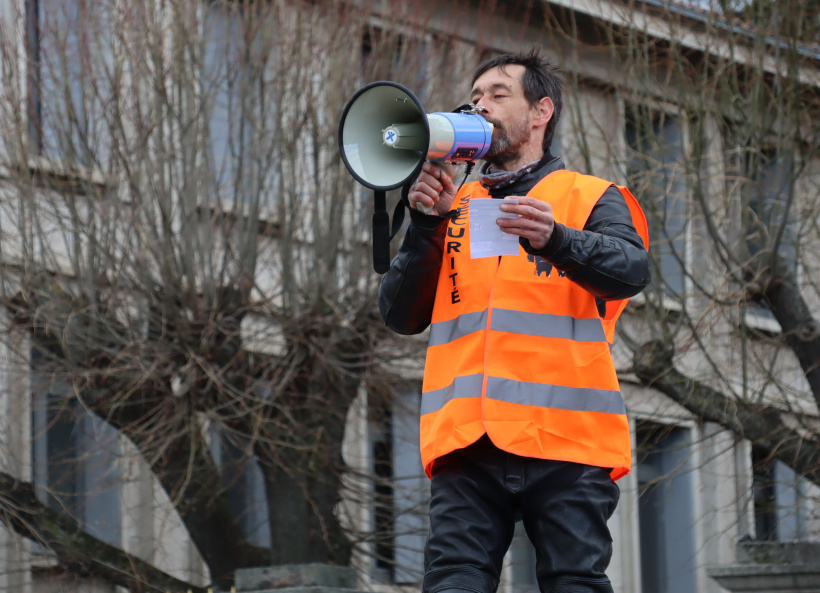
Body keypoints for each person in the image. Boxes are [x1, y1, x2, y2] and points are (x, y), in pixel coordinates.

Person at [378, 49, 650, 593]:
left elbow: (630, 271)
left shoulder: (590, 196)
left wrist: (558, 239)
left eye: (498, 94)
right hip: (467, 442)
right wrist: (426, 227)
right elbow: (401, 314)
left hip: (566, 439)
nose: (481, 105)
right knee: (453, 581)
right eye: (475, 96)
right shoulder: (452, 205)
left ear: (541, 112)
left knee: (573, 582)